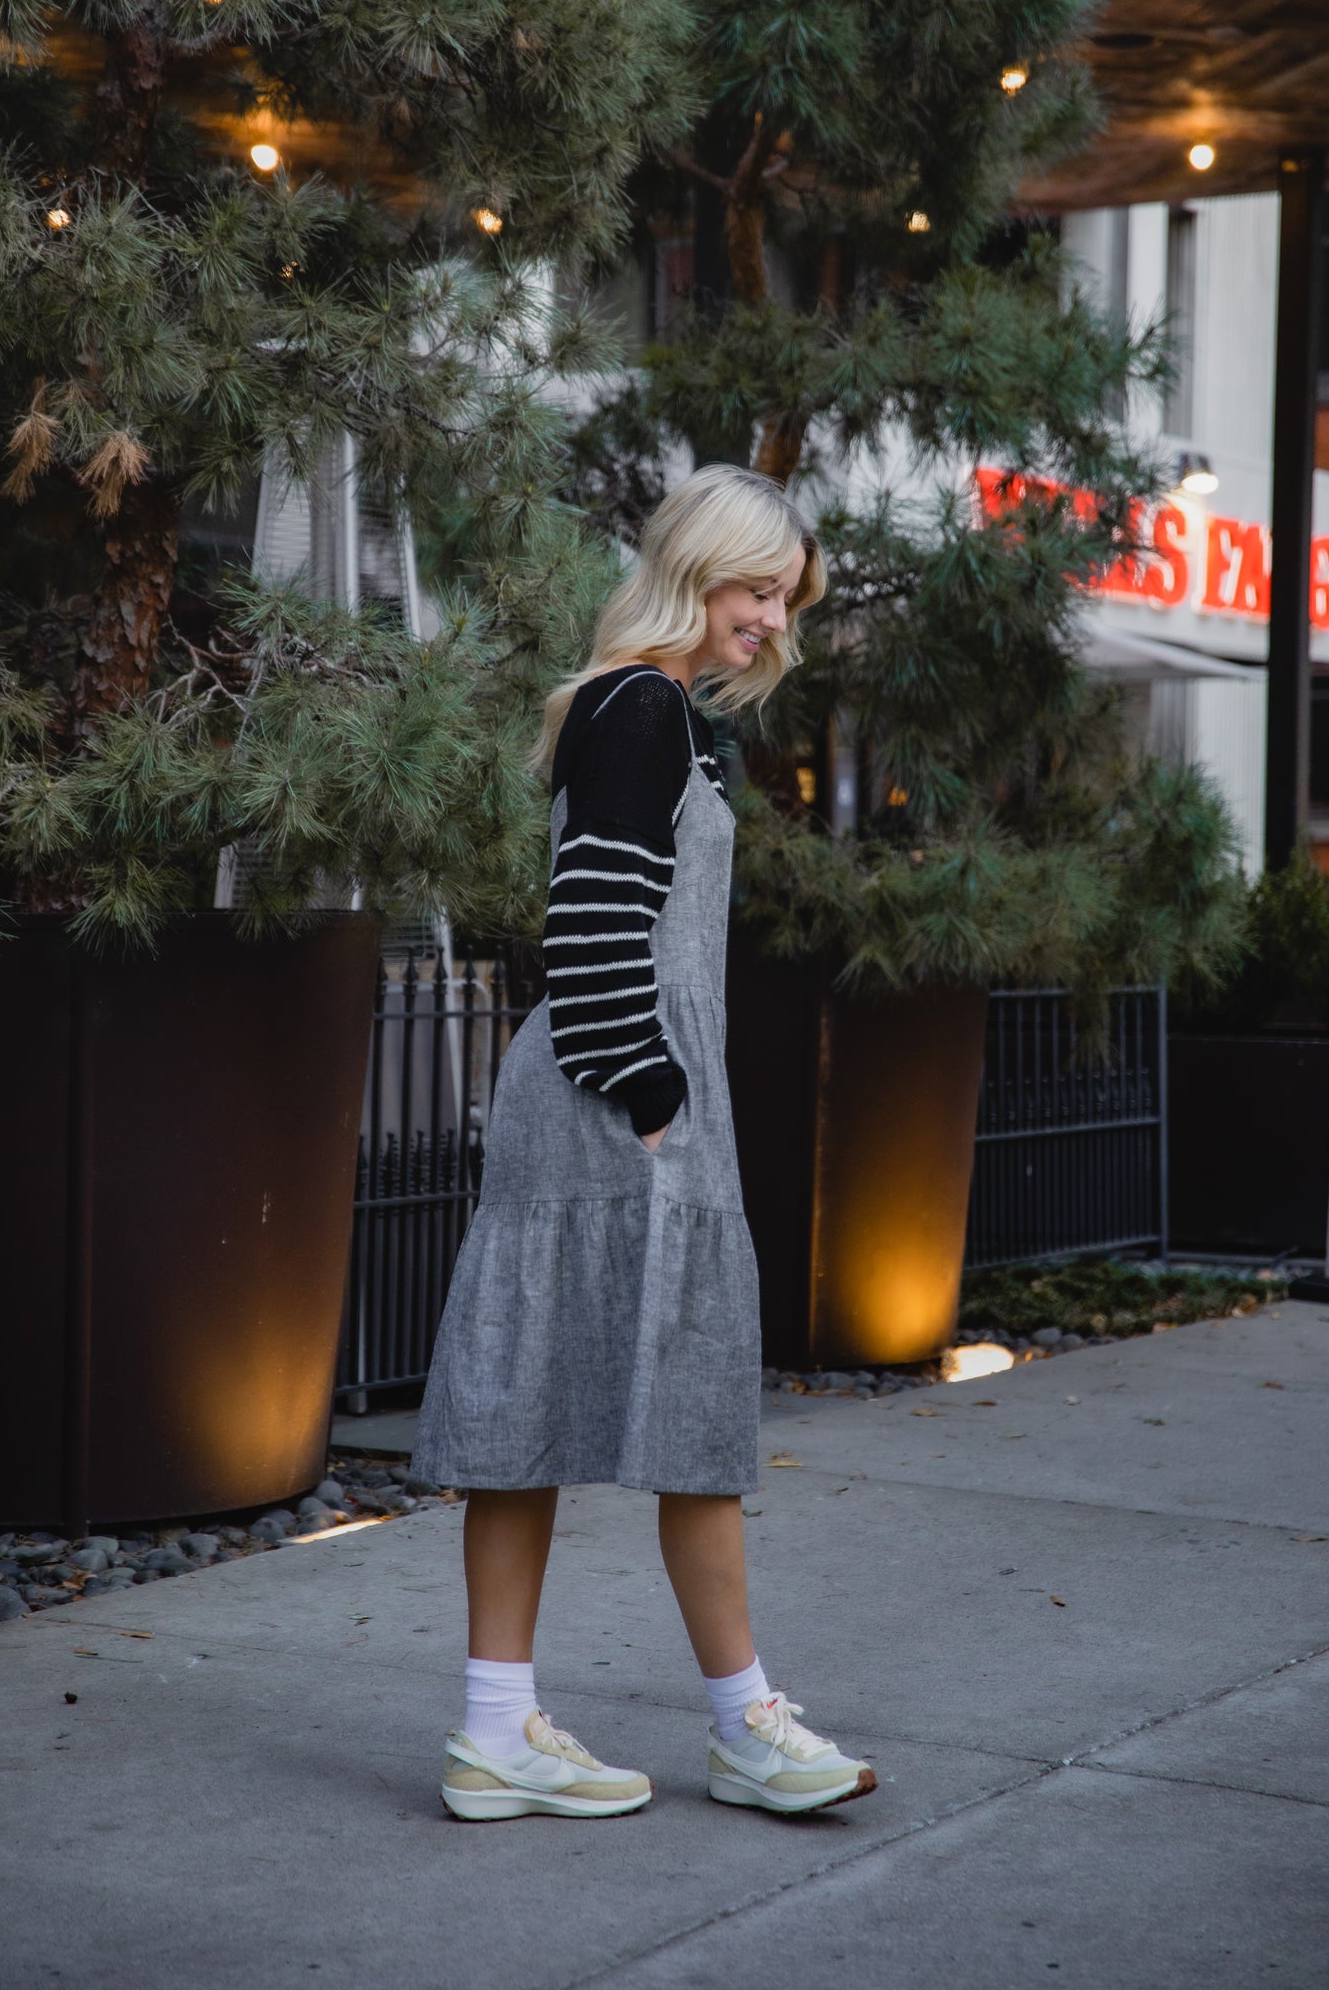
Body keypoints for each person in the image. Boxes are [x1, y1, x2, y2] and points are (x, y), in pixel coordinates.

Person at [412, 463, 877, 1822]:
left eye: (782, 601)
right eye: (752, 591)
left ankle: (498, 1732)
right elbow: (591, 919)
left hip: (600, 1102)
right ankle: (741, 1726)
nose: (766, 624)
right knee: (688, 1416)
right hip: (619, 1106)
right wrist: (654, 1091)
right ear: (695, 571)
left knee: (541, 1411)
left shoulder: (637, 709)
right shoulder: (642, 710)